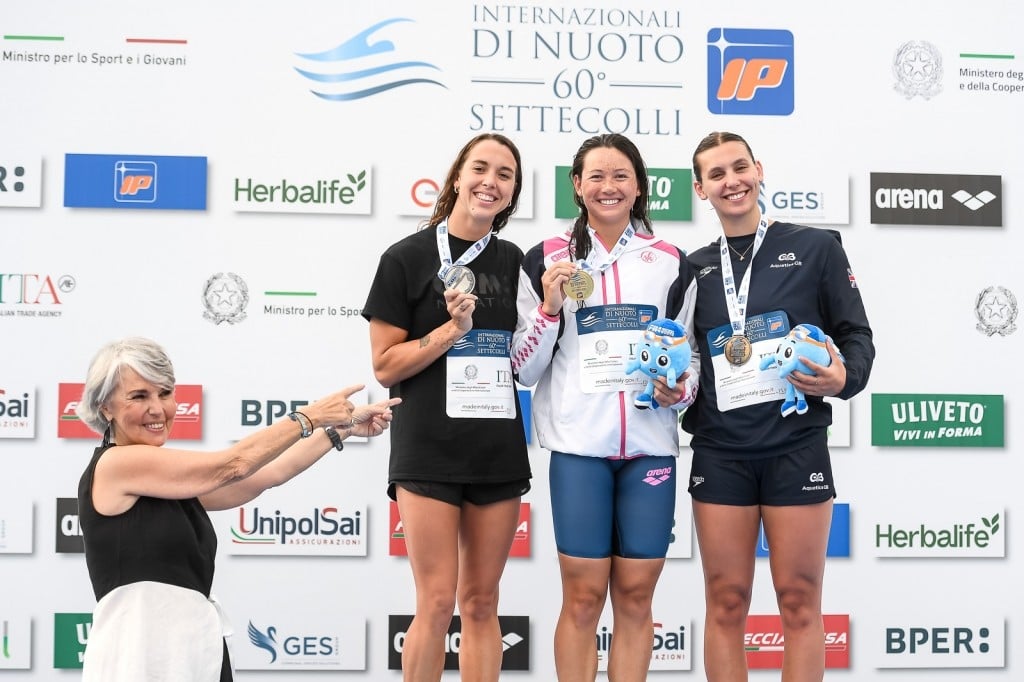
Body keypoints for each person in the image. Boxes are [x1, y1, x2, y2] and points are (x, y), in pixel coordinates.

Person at [75, 336, 400, 681]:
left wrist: (341, 429)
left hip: (194, 650)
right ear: (105, 407)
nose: (157, 408)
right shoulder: (116, 464)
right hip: (139, 655)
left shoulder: (165, 481)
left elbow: (267, 474)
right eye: (139, 396)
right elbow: (235, 464)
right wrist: (309, 416)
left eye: (165, 393)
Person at [683, 131, 874, 681]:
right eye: (716, 174)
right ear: (700, 189)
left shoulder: (815, 247)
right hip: (721, 452)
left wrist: (843, 378)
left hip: (796, 445)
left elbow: (856, 334)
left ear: (759, 170)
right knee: (725, 602)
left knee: (798, 599)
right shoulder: (692, 269)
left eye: (739, 167)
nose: (731, 181)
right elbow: (688, 362)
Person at [512, 133, 698, 681]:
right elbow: (523, 368)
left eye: (621, 176)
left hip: (650, 448)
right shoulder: (545, 258)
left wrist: (678, 389)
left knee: (637, 597)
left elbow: (688, 365)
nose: (608, 187)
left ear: (639, 185)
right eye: (596, 176)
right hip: (578, 450)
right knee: (584, 596)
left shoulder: (670, 263)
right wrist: (549, 309)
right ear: (576, 185)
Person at [362, 133, 531, 682]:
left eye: (504, 175)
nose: (491, 181)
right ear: (458, 176)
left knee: (482, 602)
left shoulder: (516, 263)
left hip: (496, 449)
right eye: (481, 168)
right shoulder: (405, 258)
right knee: (435, 603)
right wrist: (449, 332)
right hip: (427, 449)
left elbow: (529, 354)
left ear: (512, 192)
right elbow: (385, 366)